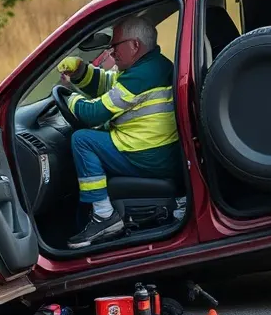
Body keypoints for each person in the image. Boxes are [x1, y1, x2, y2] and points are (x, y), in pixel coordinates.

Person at [57, 15, 185, 249]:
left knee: (82, 140)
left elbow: (93, 114)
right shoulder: (151, 66)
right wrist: (81, 71)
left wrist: (68, 94)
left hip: (148, 156)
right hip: (159, 152)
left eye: (115, 45)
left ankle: (104, 216)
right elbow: (107, 85)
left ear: (134, 45)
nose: (111, 51)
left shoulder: (142, 75)